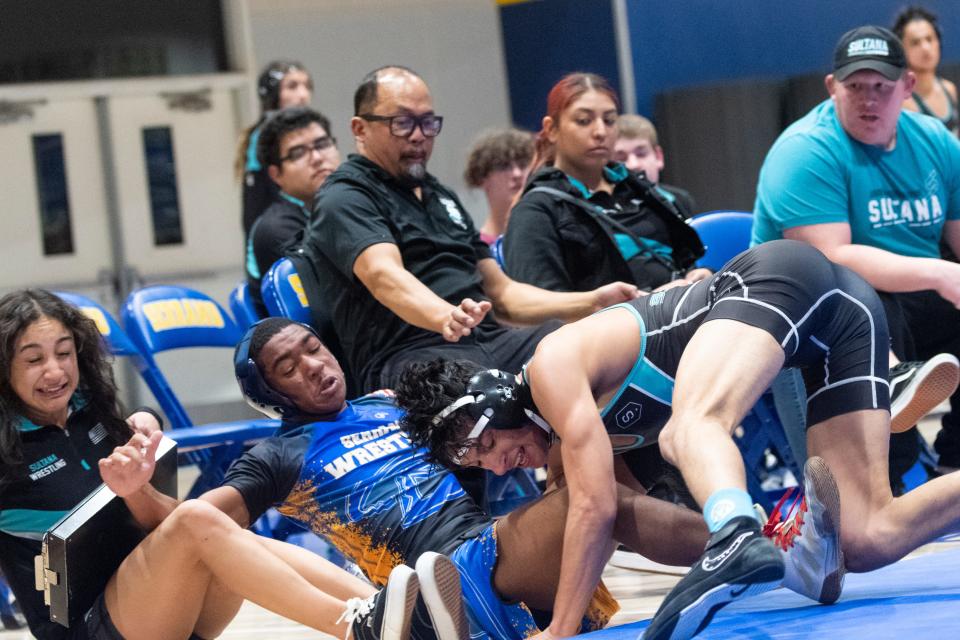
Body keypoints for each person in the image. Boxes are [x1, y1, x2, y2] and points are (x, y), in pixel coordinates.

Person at [398, 240, 960, 640]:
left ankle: (736, 532)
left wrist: (559, 632)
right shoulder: (577, 445)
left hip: (779, 278)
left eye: (483, 449)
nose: (498, 469)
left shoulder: (551, 367)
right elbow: (612, 515)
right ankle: (768, 542)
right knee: (866, 539)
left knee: (688, 428)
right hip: (835, 327)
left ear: (489, 405)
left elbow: (591, 508)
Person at [0, 289, 459, 640]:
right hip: (87, 627)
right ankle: (358, 626)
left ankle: (404, 617)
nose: (56, 371)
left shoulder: (93, 414)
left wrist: (136, 484)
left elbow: (151, 528)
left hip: (162, 603)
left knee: (207, 526)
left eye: (64, 353)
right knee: (200, 517)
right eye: (34, 359)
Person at [229, 316, 712, 639]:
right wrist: (149, 488)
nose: (315, 368)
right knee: (599, 500)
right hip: (436, 580)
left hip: (490, 543)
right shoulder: (274, 457)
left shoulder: (386, 403)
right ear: (272, 396)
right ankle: (740, 545)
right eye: (289, 368)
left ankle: (739, 543)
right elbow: (203, 525)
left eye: (313, 349)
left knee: (591, 485)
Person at [302, 65, 638, 392]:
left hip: (488, 341)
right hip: (412, 357)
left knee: (609, 352)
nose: (419, 135)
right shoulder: (344, 196)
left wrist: (591, 302)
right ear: (360, 129)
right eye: (402, 122)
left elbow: (502, 295)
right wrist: (443, 316)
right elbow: (384, 275)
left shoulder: (439, 195)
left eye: (427, 122)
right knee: (521, 395)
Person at [752, 25, 960, 477]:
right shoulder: (804, 150)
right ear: (832, 87)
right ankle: (890, 423)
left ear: (907, 87)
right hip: (807, 321)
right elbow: (833, 257)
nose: (868, 99)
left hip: (905, 305)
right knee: (862, 298)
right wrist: (944, 274)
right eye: (855, 87)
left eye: (881, 88)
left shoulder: (938, 143)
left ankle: (953, 461)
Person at [503, 72, 709, 297]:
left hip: (684, 309)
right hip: (613, 327)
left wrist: (699, 275)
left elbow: (682, 259)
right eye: (584, 121)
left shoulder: (641, 190)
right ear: (552, 129)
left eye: (609, 120)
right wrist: (649, 304)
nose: (600, 131)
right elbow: (543, 313)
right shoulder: (536, 211)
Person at [245, 106, 341, 316]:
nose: (317, 157)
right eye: (298, 153)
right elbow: (332, 302)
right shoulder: (275, 229)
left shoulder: (341, 204)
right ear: (276, 174)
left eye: (322, 144)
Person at [237, 60, 313, 236]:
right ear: (272, 94)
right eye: (292, 87)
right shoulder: (266, 133)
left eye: (307, 86)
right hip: (275, 231)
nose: (303, 94)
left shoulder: (302, 129)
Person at [614, 114, 697, 217]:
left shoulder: (682, 200)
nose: (633, 165)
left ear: (658, 157)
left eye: (641, 154)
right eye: (621, 158)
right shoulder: (604, 211)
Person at [462, 128, 535, 245]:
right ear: (482, 177)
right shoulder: (478, 250)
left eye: (522, 165)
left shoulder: (546, 235)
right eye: (504, 166)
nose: (517, 174)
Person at [893, 6, 958, 135]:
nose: (926, 48)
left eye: (929, 39)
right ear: (902, 50)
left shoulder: (950, 89)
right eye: (915, 42)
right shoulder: (901, 102)